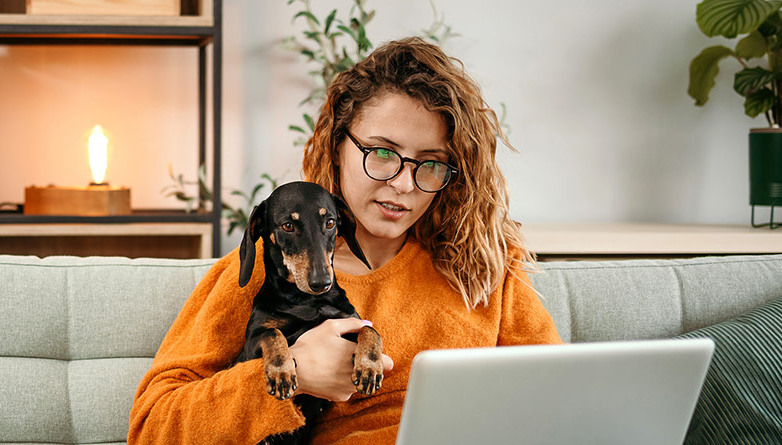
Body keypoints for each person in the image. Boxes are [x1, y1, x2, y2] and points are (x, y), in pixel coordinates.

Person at [128, 36, 562, 444]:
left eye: (430, 164)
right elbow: (151, 426)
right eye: (383, 153)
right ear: (337, 145)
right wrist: (292, 371)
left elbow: (559, 398)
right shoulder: (263, 266)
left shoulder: (484, 270)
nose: (404, 184)